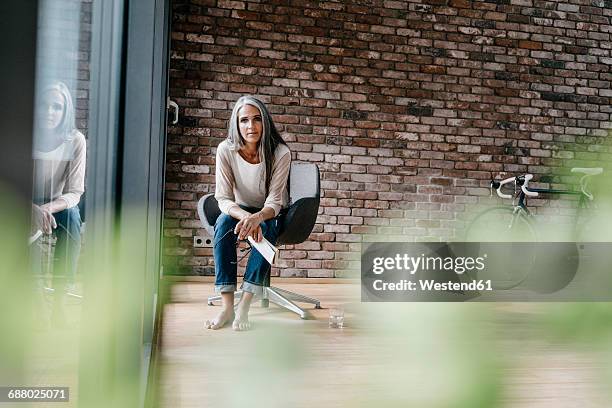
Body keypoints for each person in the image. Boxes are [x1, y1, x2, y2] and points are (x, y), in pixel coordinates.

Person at [205, 96, 291, 331]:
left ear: (265, 122)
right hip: (239, 209)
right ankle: (227, 305)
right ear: (236, 124)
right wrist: (245, 216)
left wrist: (257, 218)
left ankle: (245, 304)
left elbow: (274, 200)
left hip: (269, 211)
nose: (250, 127)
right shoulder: (225, 150)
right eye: (244, 120)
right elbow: (222, 197)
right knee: (222, 224)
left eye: (256, 120)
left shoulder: (280, 152)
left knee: (269, 228)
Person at [31, 81, 86, 291]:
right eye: (43, 105)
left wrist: (47, 208)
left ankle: (62, 292)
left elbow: (75, 192)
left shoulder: (75, 140)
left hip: (55, 205)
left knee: (72, 216)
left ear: (65, 111)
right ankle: (33, 291)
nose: (49, 111)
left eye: (57, 107)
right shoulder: (23, 135)